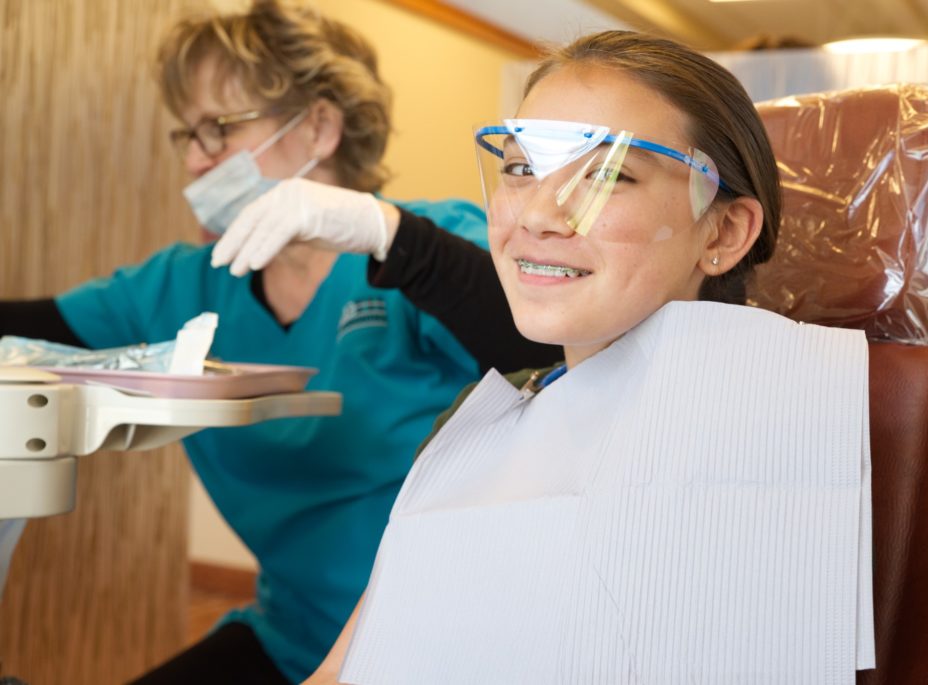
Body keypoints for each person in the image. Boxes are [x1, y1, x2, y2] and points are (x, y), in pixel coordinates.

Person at [0, 1, 557, 683]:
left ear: (319, 126)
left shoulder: (422, 251)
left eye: (220, 128)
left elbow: (544, 338)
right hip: (293, 636)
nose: (196, 161)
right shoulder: (181, 284)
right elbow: (26, 326)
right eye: (187, 135)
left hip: (441, 642)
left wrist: (388, 235)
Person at [303, 30, 872, 684]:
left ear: (722, 231)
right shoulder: (479, 422)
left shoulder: (790, 439)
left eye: (607, 173)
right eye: (521, 168)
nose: (538, 215)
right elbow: (347, 668)